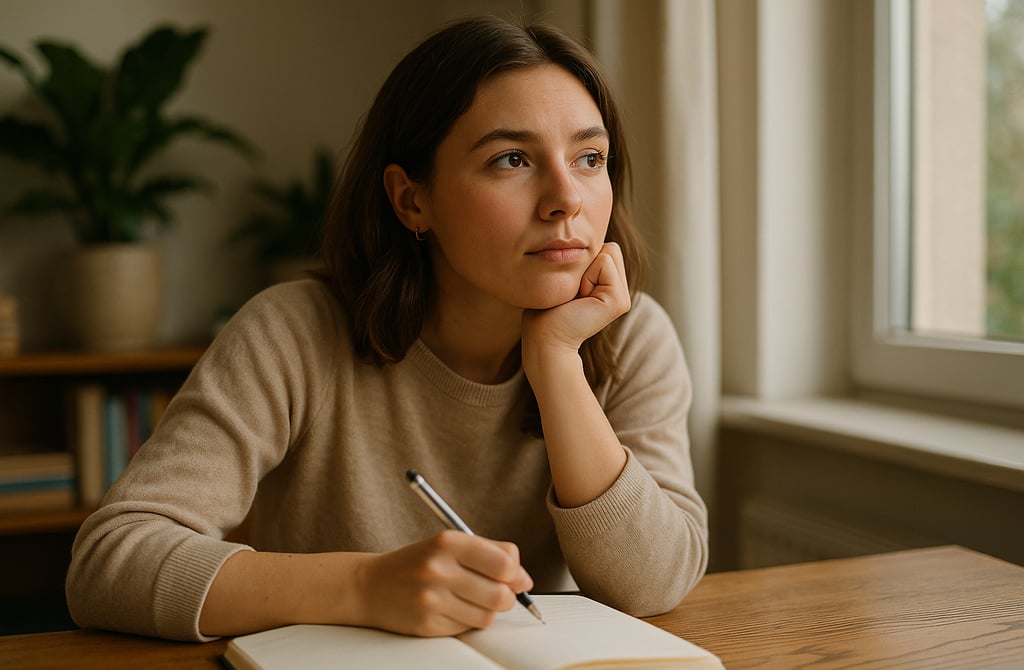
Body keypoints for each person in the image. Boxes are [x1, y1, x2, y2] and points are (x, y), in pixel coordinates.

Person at [65, 15, 709, 642]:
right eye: (512, 159)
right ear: (411, 200)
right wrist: (362, 587)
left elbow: (654, 584)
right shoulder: (290, 333)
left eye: (590, 157)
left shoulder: (629, 335)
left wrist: (556, 363)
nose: (565, 198)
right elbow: (110, 561)